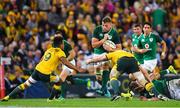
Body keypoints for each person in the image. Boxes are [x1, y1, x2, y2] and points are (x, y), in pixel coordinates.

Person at [1, 35, 86, 102]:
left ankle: (7, 97)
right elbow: (66, 63)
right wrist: (77, 69)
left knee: (25, 84)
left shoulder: (49, 50)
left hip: (37, 71)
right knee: (60, 81)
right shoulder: (60, 52)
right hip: (45, 74)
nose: (64, 45)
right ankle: (50, 99)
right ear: (61, 44)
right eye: (63, 43)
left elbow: (42, 59)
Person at [86, 50, 166, 101]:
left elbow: (101, 58)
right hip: (133, 62)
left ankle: (117, 93)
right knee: (142, 81)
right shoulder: (131, 55)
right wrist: (149, 80)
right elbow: (144, 71)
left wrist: (91, 60)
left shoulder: (114, 53)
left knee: (112, 76)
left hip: (122, 61)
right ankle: (158, 94)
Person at [48, 31, 90, 101]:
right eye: (56, 36)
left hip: (70, 62)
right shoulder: (53, 44)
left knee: (62, 77)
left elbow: (73, 54)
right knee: (71, 80)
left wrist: (65, 61)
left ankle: (62, 97)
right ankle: (85, 81)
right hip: (63, 63)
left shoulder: (66, 44)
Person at [91, 16, 121, 97]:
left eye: (106, 25)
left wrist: (110, 49)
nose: (104, 27)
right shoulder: (97, 30)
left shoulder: (114, 33)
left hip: (107, 53)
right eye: (103, 25)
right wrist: (103, 40)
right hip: (97, 53)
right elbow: (93, 45)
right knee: (98, 77)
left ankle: (103, 89)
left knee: (105, 66)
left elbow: (119, 48)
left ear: (111, 25)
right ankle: (105, 89)